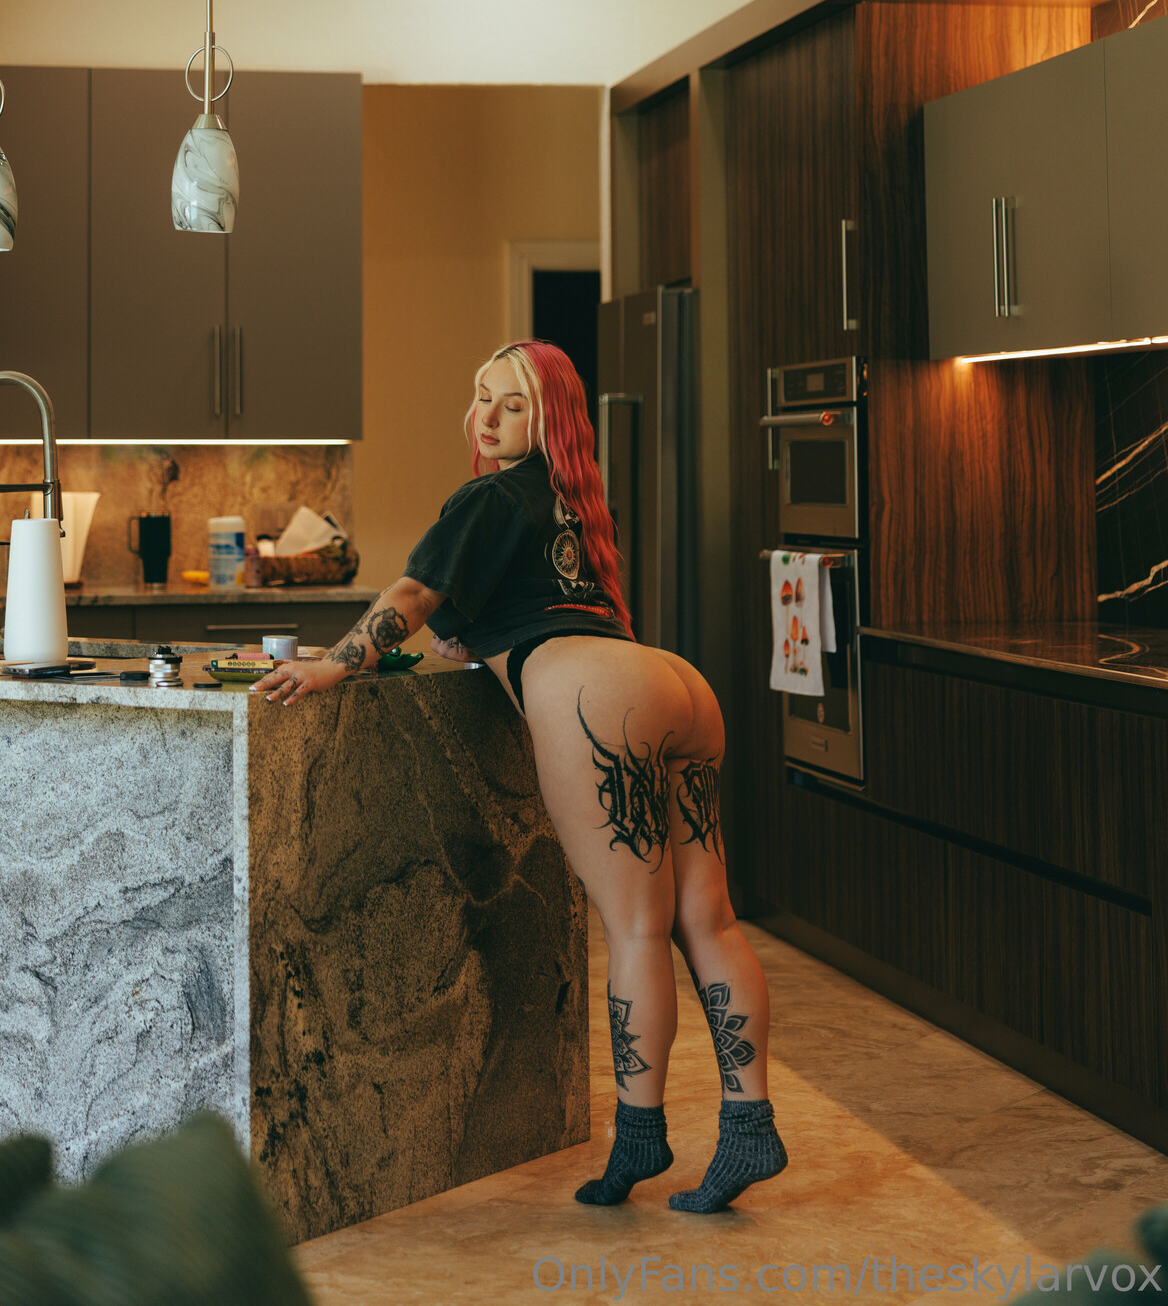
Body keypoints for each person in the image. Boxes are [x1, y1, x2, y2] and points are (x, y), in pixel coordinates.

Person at [253, 339, 787, 1212]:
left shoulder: (488, 496)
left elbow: (412, 599)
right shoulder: (575, 505)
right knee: (709, 919)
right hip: (675, 687)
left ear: (549, 420)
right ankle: (749, 1124)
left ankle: (640, 1137)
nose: (487, 417)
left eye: (512, 404)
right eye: (482, 397)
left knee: (638, 929)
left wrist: (331, 666)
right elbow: (521, 615)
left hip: (597, 700)